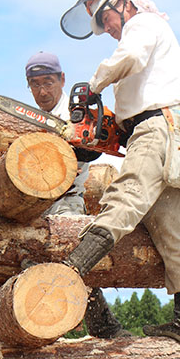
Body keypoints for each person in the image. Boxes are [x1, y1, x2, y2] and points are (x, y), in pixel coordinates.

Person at [58, 0, 180, 347]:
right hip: (179, 133)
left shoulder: (143, 25)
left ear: (125, 4)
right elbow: (142, 91)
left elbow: (130, 58)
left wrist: (95, 84)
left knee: (124, 198)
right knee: (168, 225)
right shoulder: (158, 36)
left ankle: (69, 272)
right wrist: (118, 130)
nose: (107, 28)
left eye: (106, 18)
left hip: (157, 129)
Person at [25, 51, 130, 339]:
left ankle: (103, 325)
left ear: (61, 80)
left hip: (66, 201)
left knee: (75, 255)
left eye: (47, 82)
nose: (42, 91)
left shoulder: (75, 113)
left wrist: (84, 147)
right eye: (35, 85)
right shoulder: (32, 119)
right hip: (32, 206)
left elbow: (92, 145)